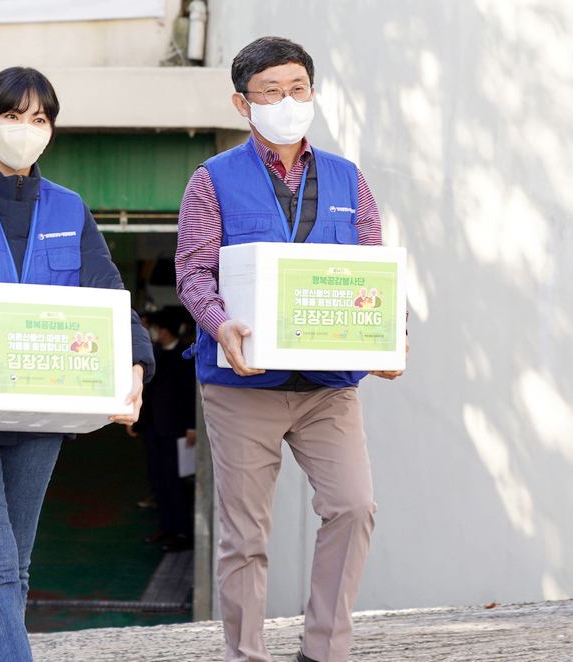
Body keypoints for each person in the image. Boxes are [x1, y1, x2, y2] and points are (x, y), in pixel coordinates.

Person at [0, 66, 154, 662]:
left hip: (40, 414)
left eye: (39, 119)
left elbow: (110, 298)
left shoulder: (70, 209)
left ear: (51, 131)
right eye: (13, 116)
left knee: (15, 567)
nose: (26, 129)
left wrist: (137, 368)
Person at [175, 37, 409, 662]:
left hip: (329, 385)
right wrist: (220, 323)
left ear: (312, 92)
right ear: (242, 103)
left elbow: (374, 272)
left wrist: (394, 334)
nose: (286, 101)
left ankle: (324, 649)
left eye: (297, 88)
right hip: (242, 385)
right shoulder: (212, 180)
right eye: (270, 92)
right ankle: (245, 654)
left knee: (354, 507)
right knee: (246, 535)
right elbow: (193, 271)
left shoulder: (347, 178)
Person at [129, 307, 197, 552]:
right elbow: (146, 391)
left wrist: (192, 427)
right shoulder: (154, 353)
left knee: (175, 482)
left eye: (155, 328)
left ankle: (182, 532)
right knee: (158, 480)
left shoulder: (185, 355)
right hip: (152, 428)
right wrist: (136, 422)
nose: (153, 332)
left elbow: (192, 394)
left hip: (177, 430)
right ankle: (166, 527)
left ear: (164, 330)